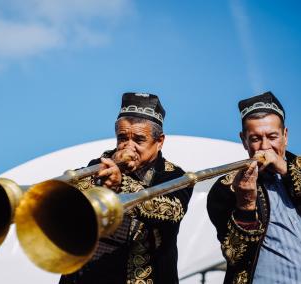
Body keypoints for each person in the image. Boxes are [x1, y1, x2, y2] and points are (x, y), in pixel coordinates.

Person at [59, 92, 193, 284]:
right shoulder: (98, 164)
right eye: (122, 138)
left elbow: (172, 212)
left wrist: (121, 184)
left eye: (138, 140)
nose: (128, 147)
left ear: (160, 141)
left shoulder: (175, 176)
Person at [207, 92, 301, 284]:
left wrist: (285, 170)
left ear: (285, 135)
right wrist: (246, 204)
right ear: (244, 140)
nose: (265, 147)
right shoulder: (225, 187)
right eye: (255, 138)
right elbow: (234, 255)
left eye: (272, 136)